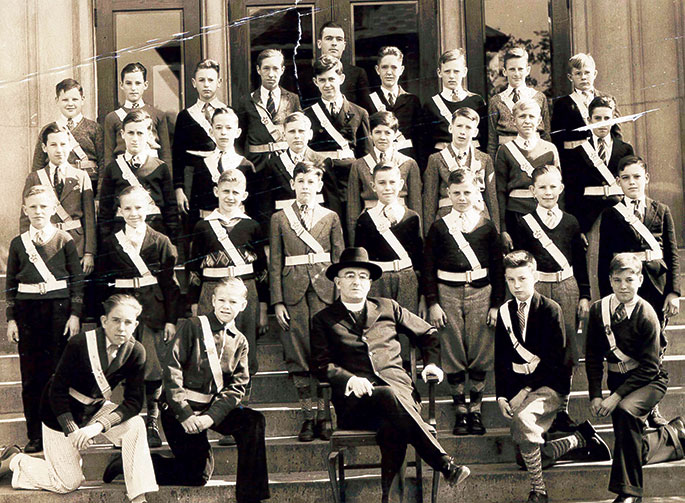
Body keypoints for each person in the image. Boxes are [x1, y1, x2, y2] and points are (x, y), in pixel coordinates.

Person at [311, 247, 471, 503]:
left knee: (392, 428)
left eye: (363, 276)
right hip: (356, 407)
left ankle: (391, 500)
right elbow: (320, 365)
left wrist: (431, 365)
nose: (356, 281)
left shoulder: (387, 307)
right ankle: (444, 463)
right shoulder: (323, 319)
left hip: (402, 401)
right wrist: (349, 379)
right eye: (349, 275)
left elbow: (429, 332)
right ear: (338, 281)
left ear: (370, 282)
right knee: (385, 394)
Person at [0, 294, 158, 503]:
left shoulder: (136, 351)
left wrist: (98, 426)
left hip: (94, 410)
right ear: (104, 321)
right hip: (59, 413)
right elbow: (56, 391)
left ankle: (138, 497)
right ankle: (15, 461)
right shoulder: (81, 343)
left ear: (135, 324)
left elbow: (134, 402)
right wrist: (72, 429)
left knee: (136, 424)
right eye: (116, 320)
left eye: (128, 322)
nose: (121, 327)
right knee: (67, 483)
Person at [495, 250, 610, 503]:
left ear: (535, 277)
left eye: (522, 279)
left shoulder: (550, 309)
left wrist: (524, 392)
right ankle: (578, 440)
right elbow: (501, 360)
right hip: (518, 388)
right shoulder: (504, 312)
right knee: (525, 456)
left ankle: (539, 491)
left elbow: (555, 361)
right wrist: (502, 396)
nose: (517, 286)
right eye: (511, 279)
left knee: (524, 421)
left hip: (549, 385)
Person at [145, 278, 270, 503]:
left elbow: (237, 387)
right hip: (179, 411)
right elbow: (171, 370)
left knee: (253, 421)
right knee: (197, 475)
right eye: (221, 300)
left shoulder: (240, 341)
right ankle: (139, 466)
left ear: (243, 305)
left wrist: (211, 418)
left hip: (211, 410)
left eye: (233, 301)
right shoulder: (193, 326)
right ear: (212, 301)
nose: (225, 306)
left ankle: (251, 497)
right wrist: (185, 414)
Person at [586, 253, 685, 503]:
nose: (623, 286)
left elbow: (651, 367)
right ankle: (673, 436)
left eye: (629, 280)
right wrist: (596, 395)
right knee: (629, 439)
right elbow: (593, 357)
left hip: (649, 381)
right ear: (609, 281)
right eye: (617, 280)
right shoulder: (599, 310)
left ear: (640, 280)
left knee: (626, 411)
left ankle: (630, 493)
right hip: (619, 380)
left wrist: (615, 398)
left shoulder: (646, 313)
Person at [598, 156, 680, 428]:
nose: (632, 183)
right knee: (626, 345)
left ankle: (651, 408)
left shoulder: (661, 209)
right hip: (625, 289)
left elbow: (672, 252)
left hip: (655, 289)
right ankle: (629, 404)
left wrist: (674, 292)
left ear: (646, 178)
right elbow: (604, 259)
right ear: (618, 182)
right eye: (626, 178)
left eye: (637, 177)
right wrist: (604, 297)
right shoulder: (612, 213)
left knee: (655, 349)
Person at [97, 185, 180, 447]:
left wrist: (170, 319)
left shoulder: (161, 241)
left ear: (149, 208)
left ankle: (152, 421)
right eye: (128, 208)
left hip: (153, 312)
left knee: (152, 367)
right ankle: (120, 425)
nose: (134, 213)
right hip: (122, 314)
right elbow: (101, 281)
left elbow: (170, 284)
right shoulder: (111, 243)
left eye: (139, 207)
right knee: (121, 366)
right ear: (120, 211)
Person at [422, 169, 504, 435]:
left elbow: (498, 267)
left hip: (482, 291)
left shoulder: (486, 226)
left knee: (480, 349)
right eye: (456, 193)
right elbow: (429, 267)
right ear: (448, 194)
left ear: (477, 193)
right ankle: (460, 410)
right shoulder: (439, 227)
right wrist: (433, 302)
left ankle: (476, 411)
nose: (462, 197)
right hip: (448, 291)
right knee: (453, 348)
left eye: (467, 192)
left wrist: (496, 304)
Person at [509, 165, 590, 432]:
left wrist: (585, 295)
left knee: (566, 349)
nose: (547, 192)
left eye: (553, 186)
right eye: (542, 187)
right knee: (540, 348)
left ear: (561, 189)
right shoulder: (524, 223)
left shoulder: (571, 222)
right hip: (539, 288)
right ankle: (541, 405)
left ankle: (562, 408)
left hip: (567, 287)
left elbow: (579, 261)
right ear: (532, 191)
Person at [269, 161, 344, 441]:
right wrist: (277, 301)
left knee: (325, 353)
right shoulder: (279, 218)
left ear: (319, 186)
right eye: (300, 182)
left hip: (325, 291)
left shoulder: (331, 216)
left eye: (311, 182)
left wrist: (340, 299)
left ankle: (325, 417)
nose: (305, 187)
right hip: (293, 293)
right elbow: (275, 261)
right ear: (292, 185)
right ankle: (307, 418)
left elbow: (338, 260)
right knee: (298, 354)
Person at [6, 185, 84, 453]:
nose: (38, 212)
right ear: (25, 211)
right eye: (33, 207)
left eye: (43, 207)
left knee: (57, 374)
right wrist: (11, 319)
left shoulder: (65, 240)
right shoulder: (19, 244)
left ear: (52, 209)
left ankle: (59, 430)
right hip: (28, 313)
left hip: (58, 311)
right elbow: (10, 287)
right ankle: (35, 434)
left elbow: (76, 280)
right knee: (31, 376)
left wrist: (74, 314)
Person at [187, 169, 268, 426]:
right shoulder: (203, 226)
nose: (230, 197)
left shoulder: (252, 225)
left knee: (244, 350)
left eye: (236, 192)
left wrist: (263, 306)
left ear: (244, 195)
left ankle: (240, 409)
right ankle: (212, 412)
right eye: (226, 191)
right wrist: (193, 301)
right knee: (212, 349)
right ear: (216, 192)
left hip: (246, 290)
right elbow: (193, 268)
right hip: (212, 289)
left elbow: (263, 269)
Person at [562, 96, 634, 299]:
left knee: (619, 263)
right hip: (589, 217)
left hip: (618, 212)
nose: (602, 123)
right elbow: (572, 192)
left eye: (607, 117)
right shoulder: (577, 152)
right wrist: (578, 226)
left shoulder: (625, 149)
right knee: (593, 267)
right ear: (589, 119)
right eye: (597, 118)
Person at [304, 55, 371, 230]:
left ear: (341, 78)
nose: (327, 85)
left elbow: (366, 154)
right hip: (322, 176)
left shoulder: (359, 113)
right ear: (315, 82)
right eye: (322, 80)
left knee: (352, 222)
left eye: (332, 79)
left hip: (350, 176)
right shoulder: (308, 115)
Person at [22, 123, 96, 276]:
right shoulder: (35, 177)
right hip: (45, 242)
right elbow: (25, 218)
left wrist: (89, 253)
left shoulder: (81, 176)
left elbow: (90, 218)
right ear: (44, 148)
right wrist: (27, 248)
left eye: (63, 144)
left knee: (75, 290)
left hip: (76, 243)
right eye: (53, 144)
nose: (59, 149)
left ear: (69, 146)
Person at [98, 109, 180, 243]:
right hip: (121, 234)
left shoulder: (160, 167)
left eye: (140, 133)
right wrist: (106, 243)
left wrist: (172, 242)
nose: (135, 138)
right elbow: (105, 211)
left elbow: (170, 210)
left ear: (148, 135)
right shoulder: (113, 168)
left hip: (154, 232)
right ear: (122, 134)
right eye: (130, 133)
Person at [354, 164, 423, 315]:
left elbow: (418, 257)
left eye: (392, 183)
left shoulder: (412, 217)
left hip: (406, 278)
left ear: (400, 184)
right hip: (379, 279)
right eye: (382, 183)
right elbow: (361, 260)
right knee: (379, 326)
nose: (387, 188)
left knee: (407, 328)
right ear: (373, 186)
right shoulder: (365, 220)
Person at [258, 112, 341, 233]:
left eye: (301, 131)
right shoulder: (272, 164)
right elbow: (266, 204)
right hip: (285, 226)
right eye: (292, 131)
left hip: (317, 225)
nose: (297, 136)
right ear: (284, 135)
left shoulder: (322, 162)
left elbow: (332, 201)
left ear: (310, 134)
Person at [346, 110, 422, 242]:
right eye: (377, 132)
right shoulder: (358, 165)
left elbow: (415, 205)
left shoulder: (409, 163)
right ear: (370, 134)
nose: (382, 137)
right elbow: (353, 210)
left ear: (395, 134)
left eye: (387, 133)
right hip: (371, 221)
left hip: (401, 221)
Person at [495, 99, 560, 253]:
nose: (527, 121)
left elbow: (558, 187)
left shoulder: (549, 149)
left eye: (532, 117)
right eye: (522, 116)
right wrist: (503, 228)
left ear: (539, 121)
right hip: (516, 214)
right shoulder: (505, 150)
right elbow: (500, 191)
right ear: (513, 121)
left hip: (545, 211)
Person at [423, 107, 498, 235]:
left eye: (468, 128)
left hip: (479, 218)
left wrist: (496, 231)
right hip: (447, 219)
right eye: (459, 126)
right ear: (451, 128)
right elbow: (430, 199)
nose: (462, 132)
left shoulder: (485, 159)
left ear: (475, 132)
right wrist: (429, 234)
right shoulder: (436, 159)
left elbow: (491, 198)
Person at [182, 107, 258, 225]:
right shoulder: (202, 165)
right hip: (208, 227)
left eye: (228, 128)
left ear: (237, 132)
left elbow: (254, 207)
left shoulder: (246, 166)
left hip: (238, 227)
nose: (223, 132)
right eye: (218, 128)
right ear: (211, 131)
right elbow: (195, 206)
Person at [172, 58, 227, 218]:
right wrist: (179, 188)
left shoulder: (228, 113)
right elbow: (178, 156)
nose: (206, 84)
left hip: (221, 176)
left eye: (211, 80)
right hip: (194, 180)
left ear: (219, 82)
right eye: (202, 80)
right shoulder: (185, 116)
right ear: (194, 83)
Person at [31, 78, 103, 197]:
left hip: (87, 187)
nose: (70, 104)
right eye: (65, 100)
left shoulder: (95, 129)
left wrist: (99, 196)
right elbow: (38, 166)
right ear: (57, 101)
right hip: (55, 187)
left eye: (75, 99)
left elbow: (103, 163)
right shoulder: (47, 130)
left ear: (82, 100)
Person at [236, 48, 301, 174]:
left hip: (285, 164)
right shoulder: (246, 101)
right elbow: (239, 140)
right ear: (258, 70)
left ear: (282, 70)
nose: (271, 74)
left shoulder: (293, 99)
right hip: (257, 165)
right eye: (266, 68)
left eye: (275, 68)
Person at [550, 53, 622, 167]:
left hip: (604, 157)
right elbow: (558, 138)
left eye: (587, 72)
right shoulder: (562, 104)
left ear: (594, 74)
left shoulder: (609, 99)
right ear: (570, 77)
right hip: (577, 162)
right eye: (578, 73)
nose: (583, 77)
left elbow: (616, 133)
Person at [103, 62, 172, 174]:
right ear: (121, 85)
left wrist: (167, 184)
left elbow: (166, 155)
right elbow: (108, 157)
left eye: (138, 83)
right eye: (128, 83)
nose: (133, 88)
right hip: (123, 173)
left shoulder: (158, 115)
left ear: (145, 85)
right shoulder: (112, 118)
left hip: (152, 172)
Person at [422, 49, 487, 164]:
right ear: (439, 73)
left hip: (472, 161)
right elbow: (425, 143)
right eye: (447, 71)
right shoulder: (431, 105)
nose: (451, 76)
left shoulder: (476, 101)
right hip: (443, 161)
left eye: (456, 71)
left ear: (464, 72)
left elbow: (485, 137)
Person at [487, 47, 551, 161]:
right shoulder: (496, 101)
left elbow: (546, 135)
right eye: (512, 69)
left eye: (520, 69)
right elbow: (492, 140)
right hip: (506, 158)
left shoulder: (539, 98)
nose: (516, 74)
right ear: (504, 71)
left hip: (534, 155)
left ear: (527, 70)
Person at [295, 21, 372, 111]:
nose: (334, 43)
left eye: (339, 39)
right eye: (329, 38)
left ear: (344, 45)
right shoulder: (305, 76)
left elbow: (366, 110)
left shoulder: (357, 74)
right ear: (319, 44)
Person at [368, 46, 421, 159]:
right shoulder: (369, 101)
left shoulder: (412, 101)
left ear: (401, 70)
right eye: (384, 67)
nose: (389, 72)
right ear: (377, 70)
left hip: (406, 160)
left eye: (394, 67)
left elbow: (419, 139)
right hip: (379, 160)